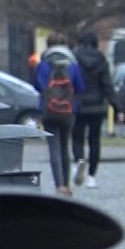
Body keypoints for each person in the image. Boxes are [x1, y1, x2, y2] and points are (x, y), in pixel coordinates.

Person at [34, 33, 86, 196]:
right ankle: (67, 183)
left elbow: (37, 85)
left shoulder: (43, 65)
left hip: (49, 110)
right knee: (65, 147)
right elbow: (81, 87)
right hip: (69, 111)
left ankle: (58, 185)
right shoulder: (73, 66)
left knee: (54, 147)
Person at [72, 31, 125, 189]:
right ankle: (91, 176)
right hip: (97, 106)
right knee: (94, 141)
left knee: (77, 137)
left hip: (78, 104)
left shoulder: (74, 58)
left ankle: (79, 160)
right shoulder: (101, 59)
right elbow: (107, 86)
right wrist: (118, 108)